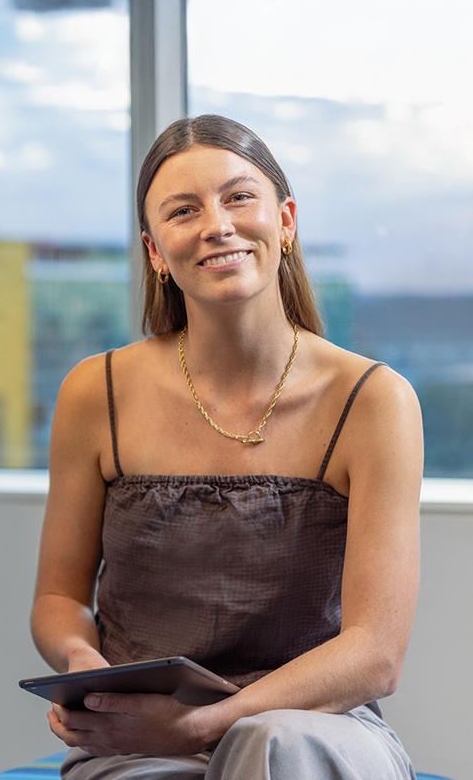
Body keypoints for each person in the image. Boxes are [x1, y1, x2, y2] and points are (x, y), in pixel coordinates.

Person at [30, 114, 422, 778]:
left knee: (272, 743)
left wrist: (207, 724)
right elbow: (59, 599)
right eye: (184, 211)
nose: (216, 225)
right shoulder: (95, 393)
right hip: (144, 738)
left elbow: (375, 654)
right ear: (156, 251)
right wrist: (82, 662)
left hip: (319, 729)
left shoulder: (374, 400)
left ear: (285, 221)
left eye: (238, 197)